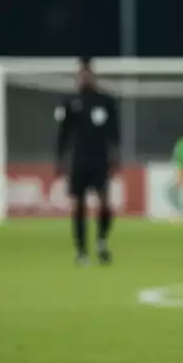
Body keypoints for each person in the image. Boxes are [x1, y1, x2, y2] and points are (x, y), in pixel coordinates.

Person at [55, 59, 119, 265]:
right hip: (79, 161)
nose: (84, 78)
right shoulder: (71, 101)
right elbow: (63, 134)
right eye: (81, 74)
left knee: (105, 203)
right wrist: (59, 159)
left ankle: (101, 242)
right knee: (78, 206)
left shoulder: (106, 101)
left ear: (93, 76)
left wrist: (116, 157)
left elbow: (114, 133)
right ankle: (81, 251)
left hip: (100, 160)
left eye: (87, 74)